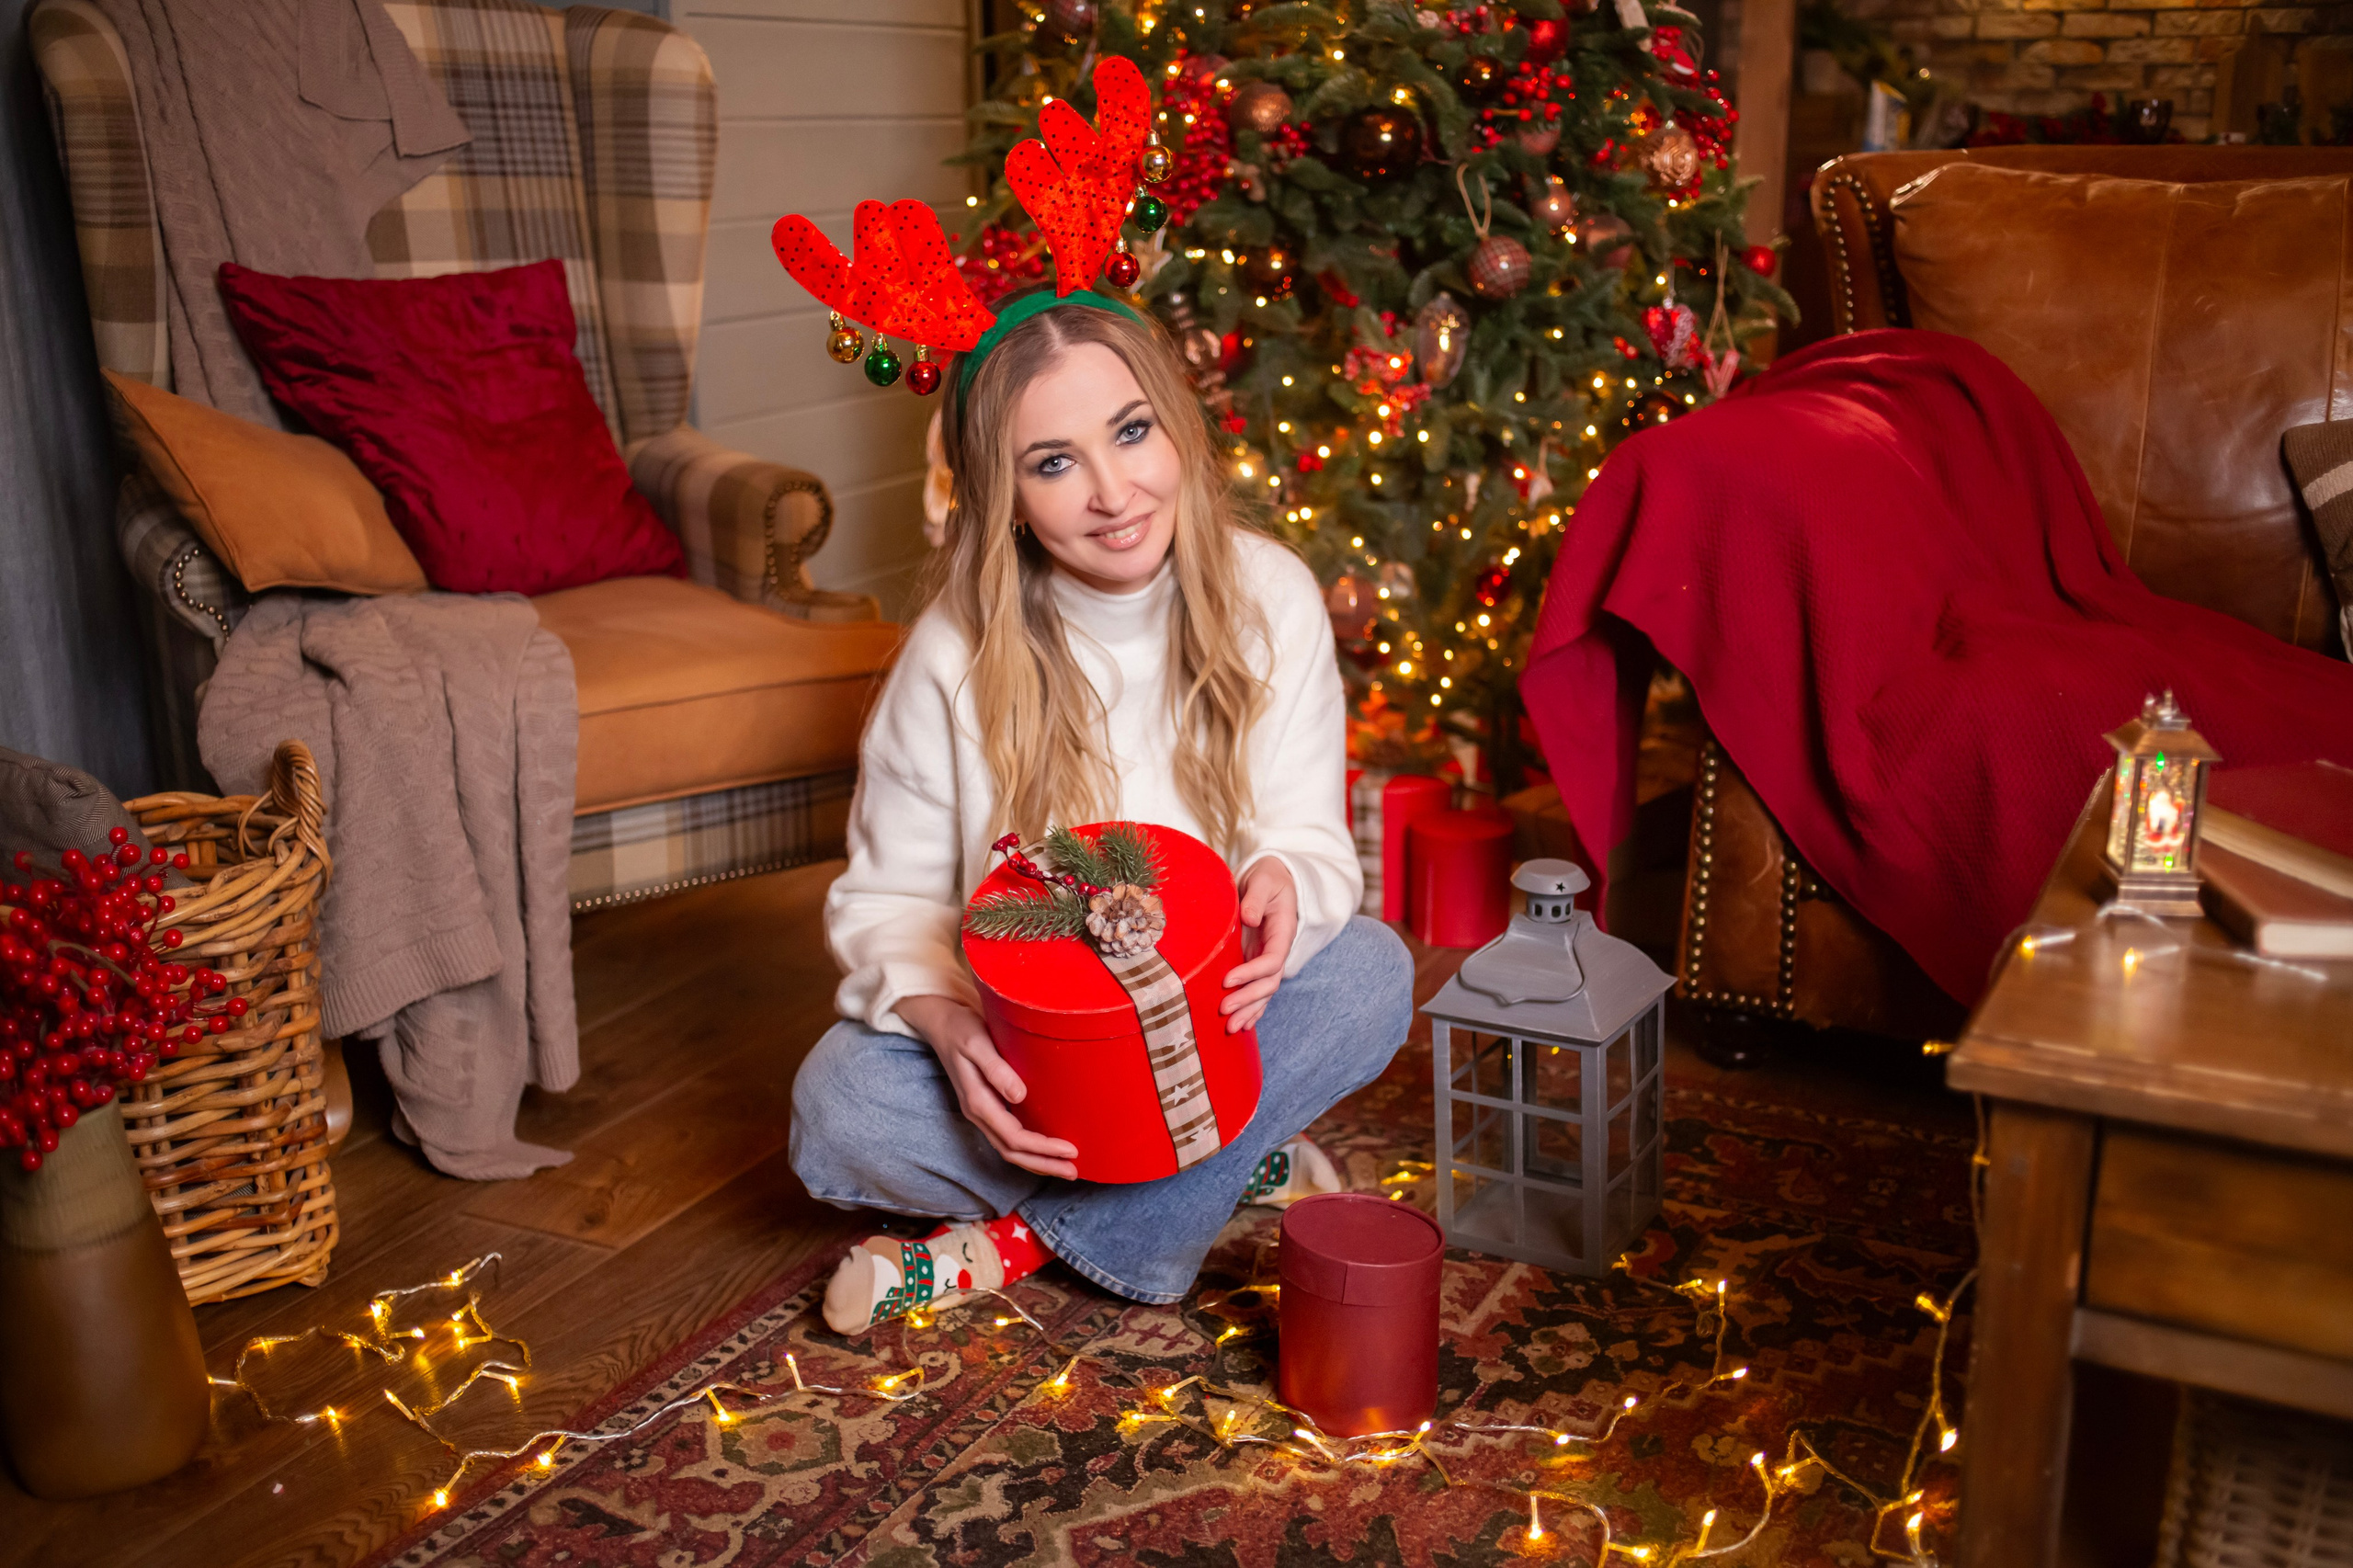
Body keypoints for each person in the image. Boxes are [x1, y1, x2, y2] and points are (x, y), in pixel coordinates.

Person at [789, 285, 1414, 1334]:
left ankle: (1019, 1241)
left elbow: (1308, 837)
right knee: (836, 1101)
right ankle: (1221, 1177)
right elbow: (886, 896)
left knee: (1371, 972)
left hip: (1210, 1027)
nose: (1113, 491)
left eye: (1130, 432)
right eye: (1053, 461)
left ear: (1177, 423)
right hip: (1036, 1051)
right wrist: (943, 1021)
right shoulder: (954, 651)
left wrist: (1288, 887)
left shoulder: (1271, 596)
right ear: (1006, 493)